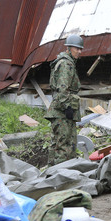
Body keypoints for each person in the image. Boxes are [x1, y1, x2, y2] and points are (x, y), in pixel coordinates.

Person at [45, 35, 83, 165]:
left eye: (80, 49)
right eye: (76, 48)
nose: (79, 51)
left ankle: (52, 172)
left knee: (57, 142)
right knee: (65, 144)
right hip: (62, 111)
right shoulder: (66, 64)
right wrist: (68, 107)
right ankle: (61, 175)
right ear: (69, 47)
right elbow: (63, 88)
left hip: (59, 109)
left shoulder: (64, 62)